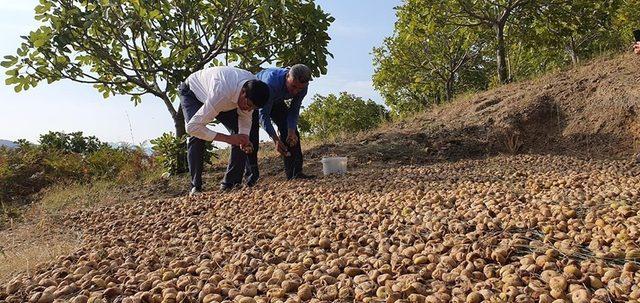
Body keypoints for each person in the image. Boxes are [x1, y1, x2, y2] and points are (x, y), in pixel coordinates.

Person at [180, 66, 269, 195]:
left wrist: (243, 137)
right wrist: (227, 139)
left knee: (240, 135)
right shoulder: (221, 93)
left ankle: (231, 184)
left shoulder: (252, 88)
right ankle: (195, 187)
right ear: (243, 92)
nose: (249, 109)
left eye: (253, 108)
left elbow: (245, 117)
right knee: (197, 135)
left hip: (224, 98)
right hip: (193, 92)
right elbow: (192, 128)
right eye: (249, 105)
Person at [248, 64, 316, 181]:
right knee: (252, 137)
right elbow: (263, 115)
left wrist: (291, 131)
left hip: (277, 99)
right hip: (256, 97)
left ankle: (295, 174)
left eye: (299, 88)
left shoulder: (302, 87)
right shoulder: (271, 82)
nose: (295, 91)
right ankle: (251, 177)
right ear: (287, 76)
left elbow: (294, 110)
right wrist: (275, 140)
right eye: (293, 86)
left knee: (292, 134)